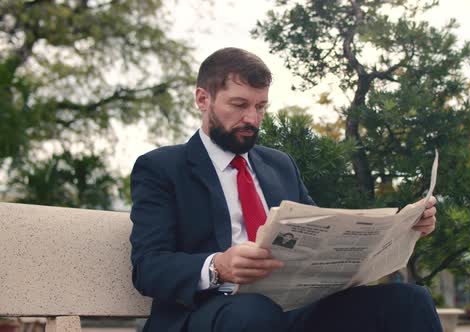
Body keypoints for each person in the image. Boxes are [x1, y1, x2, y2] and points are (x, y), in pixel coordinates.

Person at [130, 47, 442, 332]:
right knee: (254, 313)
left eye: (261, 106)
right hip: (208, 311)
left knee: (409, 301)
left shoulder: (280, 165)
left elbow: (324, 236)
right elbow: (148, 267)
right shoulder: (162, 168)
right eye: (239, 105)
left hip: (294, 307)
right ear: (202, 99)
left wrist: (403, 229)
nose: (252, 118)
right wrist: (218, 266)